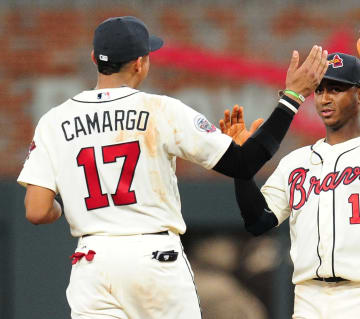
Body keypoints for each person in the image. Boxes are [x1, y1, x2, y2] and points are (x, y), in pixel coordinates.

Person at [17, 16, 330, 319]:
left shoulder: (54, 121)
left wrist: (64, 206)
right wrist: (292, 97)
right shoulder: (160, 110)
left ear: (94, 58)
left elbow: (37, 210)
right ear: (140, 62)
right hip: (154, 258)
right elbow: (244, 163)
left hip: (93, 262)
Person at [221, 52, 360, 319]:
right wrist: (241, 168)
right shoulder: (295, 162)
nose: (325, 98)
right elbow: (258, 221)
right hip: (309, 300)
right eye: (320, 90)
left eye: (337, 89)